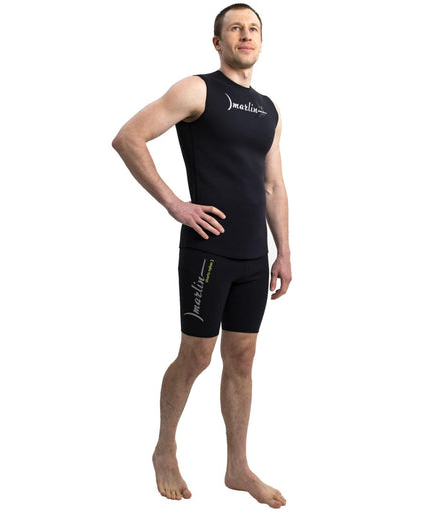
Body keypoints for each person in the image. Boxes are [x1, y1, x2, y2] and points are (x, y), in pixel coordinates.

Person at [112, 3, 291, 508]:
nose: (245, 35)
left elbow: (273, 185)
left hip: (253, 257)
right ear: (218, 41)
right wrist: (175, 204)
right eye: (235, 28)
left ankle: (238, 468)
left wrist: (284, 251)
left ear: (261, 41)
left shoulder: (269, 110)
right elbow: (128, 138)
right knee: (197, 355)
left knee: (243, 358)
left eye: (253, 29)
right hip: (208, 252)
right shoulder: (197, 90)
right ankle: (165, 448)